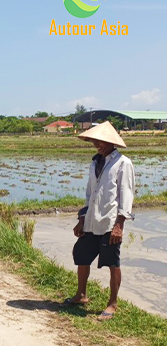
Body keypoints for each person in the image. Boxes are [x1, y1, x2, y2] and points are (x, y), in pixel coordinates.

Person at [64, 121, 134, 321]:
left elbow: (126, 196)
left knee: (112, 261)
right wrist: (81, 219)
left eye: (101, 141)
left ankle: (112, 303)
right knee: (81, 254)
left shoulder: (123, 164)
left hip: (110, 221)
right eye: (95, 141)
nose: (97, 145)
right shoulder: (95, 163)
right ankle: (81, 295)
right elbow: (90, 195)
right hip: (92, 220)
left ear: (112, 142)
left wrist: (119, 225)